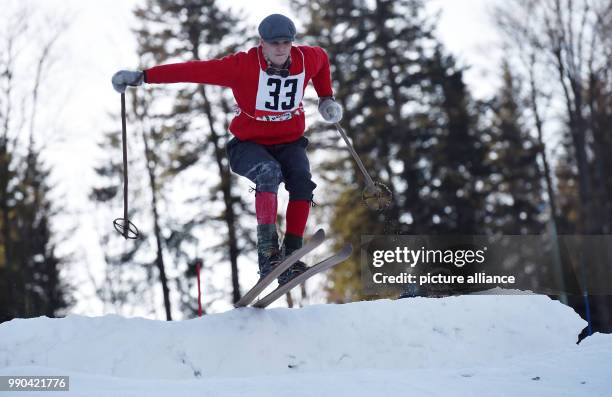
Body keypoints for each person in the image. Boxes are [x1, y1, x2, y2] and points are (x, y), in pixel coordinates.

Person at [111, 14, 342, 285]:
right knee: (269, 172)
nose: (280, 49)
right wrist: (143, 77)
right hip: (248, 146)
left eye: (285, 43)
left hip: (290, 142)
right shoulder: (242, 66)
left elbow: (323, 60)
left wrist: (326, 98)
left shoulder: (306, 59)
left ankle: (290, 255)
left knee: (302, 182)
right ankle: (268, 256)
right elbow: (193, 70)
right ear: (262, 44)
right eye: (274, 43)